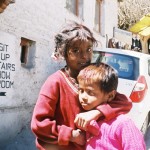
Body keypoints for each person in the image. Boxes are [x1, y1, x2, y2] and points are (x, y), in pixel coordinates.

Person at [31, 21, 132, 150]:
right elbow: (39, 123)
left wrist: (96, 112)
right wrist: (71, 135)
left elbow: (124, 103)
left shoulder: (93, 78)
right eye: (76, 50)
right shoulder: (55, 82)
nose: (84, 56)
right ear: (64, 52)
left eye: (89, 49)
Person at [77, 62, 146, 150]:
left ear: (110, 96)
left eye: (90, 93)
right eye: (81, 91)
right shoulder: (86, 119)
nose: (83, 97)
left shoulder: (123, 124)